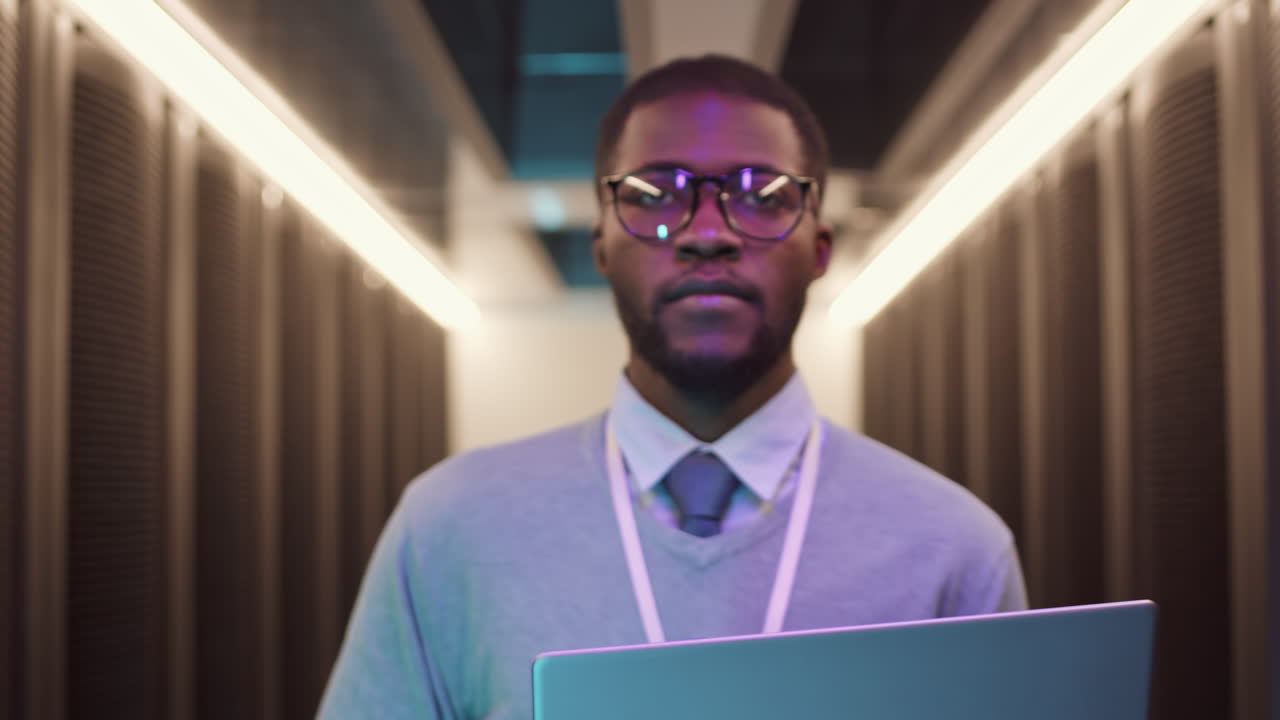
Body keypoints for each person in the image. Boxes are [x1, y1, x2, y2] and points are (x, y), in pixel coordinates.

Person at [318, 54, 1026, 720]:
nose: (707, 233)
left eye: (763, 196)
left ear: (820, 248)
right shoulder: (450, 528)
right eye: (656, 195)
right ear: (600, 243)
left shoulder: (951, 548)